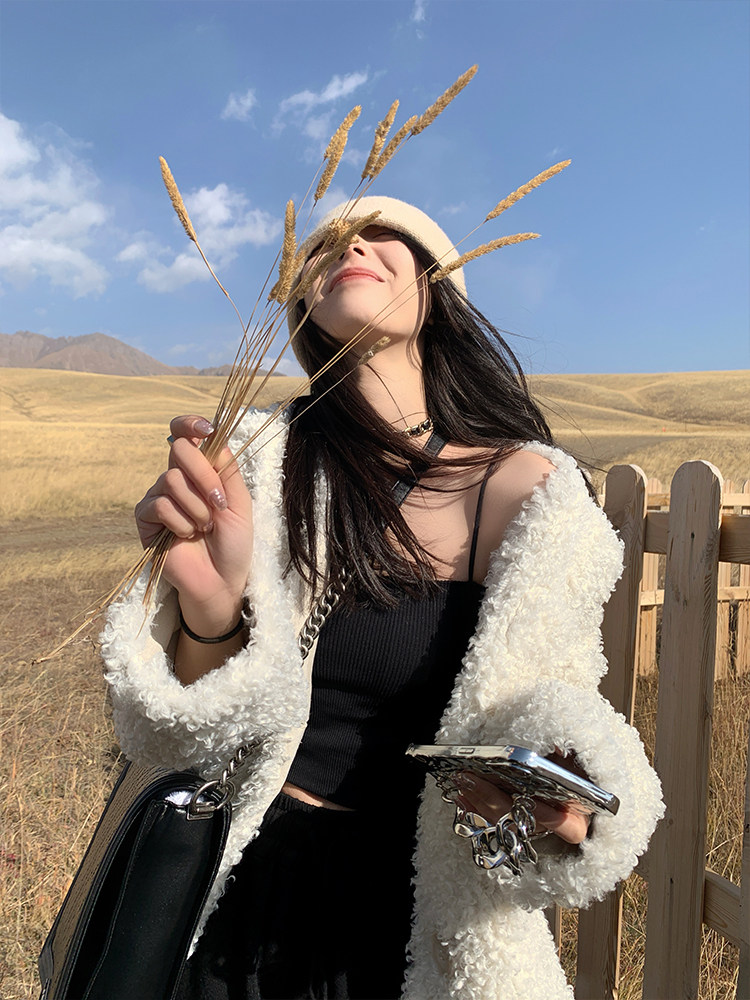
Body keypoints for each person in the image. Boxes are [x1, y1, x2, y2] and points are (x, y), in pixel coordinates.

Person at [101, 196, 663, 1000]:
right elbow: (166, 731)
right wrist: (210, 609)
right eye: (326, 243)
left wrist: (571, 799)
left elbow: (560, 708)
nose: (350, 246)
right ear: (302, 302)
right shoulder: (257, 462)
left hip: (416, 927)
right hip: (238, 889)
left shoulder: (530, 492)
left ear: (437, 289)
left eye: (381, 233)